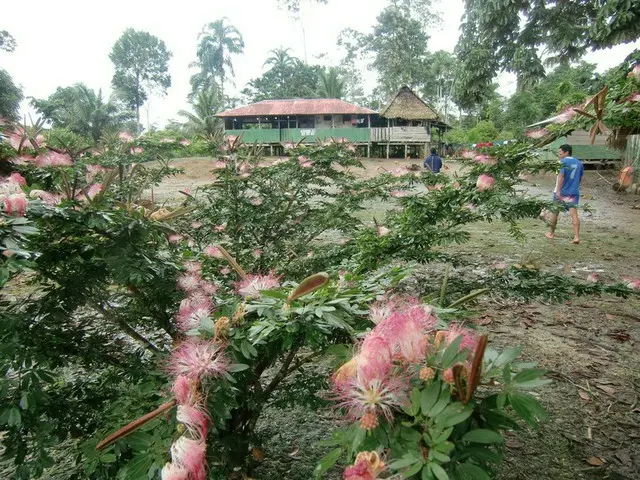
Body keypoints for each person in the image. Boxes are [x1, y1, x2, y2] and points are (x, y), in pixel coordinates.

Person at [545, 144, 584, 244]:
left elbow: (561, 176)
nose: (559, 155)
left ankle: (551, 233)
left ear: (566, 152)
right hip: (573, 193)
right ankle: (576, 237)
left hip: (561, 193)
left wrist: (558, 191)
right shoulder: (579, 163)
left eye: (560, 153)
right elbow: (579, 178)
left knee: (555, 212)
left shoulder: (562, 162)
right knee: (574, 214)